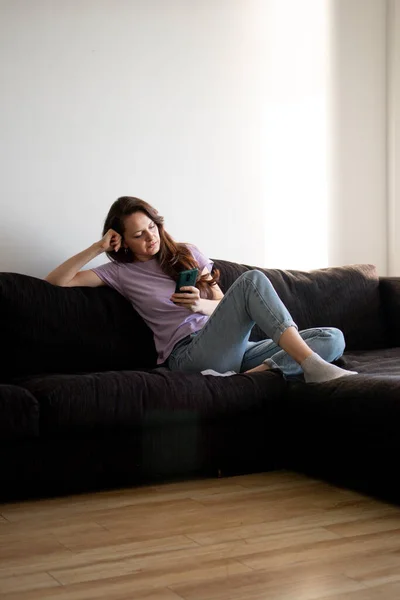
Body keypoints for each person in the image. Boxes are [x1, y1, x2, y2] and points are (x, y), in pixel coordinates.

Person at [45, 196, 357, 382]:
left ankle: (247, 380)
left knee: (332, 338)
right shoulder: (119, 272)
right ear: (122, 241)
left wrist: (197, 306)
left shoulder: (187, 253)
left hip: (233, 349)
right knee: (252, 281)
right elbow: (56, 281)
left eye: (152, 227)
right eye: (138, 234)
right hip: (188, 354)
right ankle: (311, 366)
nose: (150, 238)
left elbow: (222, 303)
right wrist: (98, 247)